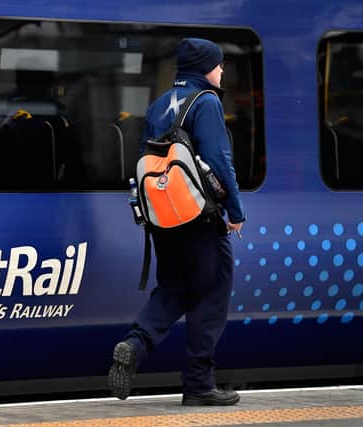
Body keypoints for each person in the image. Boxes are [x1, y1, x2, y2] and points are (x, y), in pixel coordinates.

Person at [108, 38, 246, 406]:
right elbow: (219, 159)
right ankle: (200, 384)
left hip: (164, 219)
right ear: (204, 68)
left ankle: (135, 345)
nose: (222, 71)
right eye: (219, 65)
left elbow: (144, 161)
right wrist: (235, 211)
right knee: (211, 293)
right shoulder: (206, 102)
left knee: (173, 289)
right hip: (201, 218)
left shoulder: (157, 105)